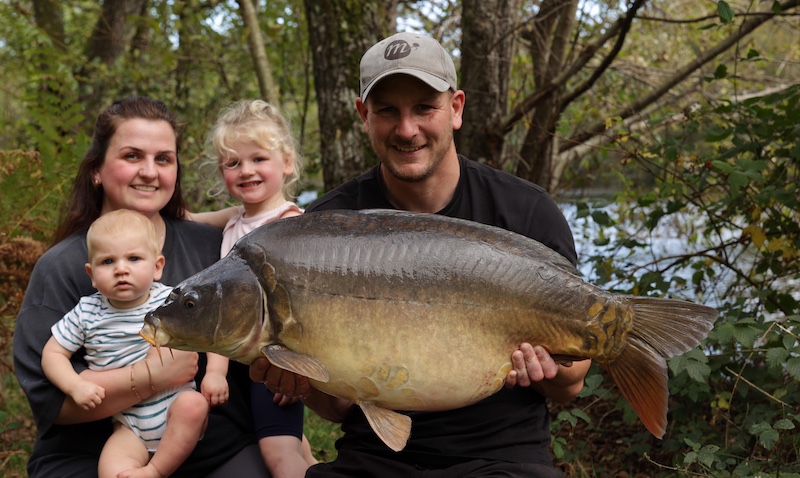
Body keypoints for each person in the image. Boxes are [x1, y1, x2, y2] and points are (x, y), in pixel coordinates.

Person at [249, 32, 593, 477]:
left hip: (503, 458)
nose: (406, 129)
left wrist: (549, 370)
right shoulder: (322, 232)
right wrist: (300, 382)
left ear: (456, 109)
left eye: (424, 108)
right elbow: (336, 408)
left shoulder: (525, 211)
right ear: (363, 115)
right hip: (375, 460)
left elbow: (572, 385)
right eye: (387, 110)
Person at [13, 96, 270, 478]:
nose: (149, 172)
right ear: (96, 171)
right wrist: (151, 378)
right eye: (132, 156)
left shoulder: (212, 246)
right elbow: (54, 403)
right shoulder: (61, 267)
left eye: (163, 159)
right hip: (93, 454)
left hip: (214, 449)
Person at [42, 209, 229, 478]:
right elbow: (53, 353)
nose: (121, 269)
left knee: (194, 405)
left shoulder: (171, 301)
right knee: (111, 471)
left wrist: (215, 373)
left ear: (157, 266)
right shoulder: (86, 312)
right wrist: (75, 385)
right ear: (91, 273)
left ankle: (155, 471)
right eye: (107, 262)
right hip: (129, 424)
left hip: (177, 407)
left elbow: (211, 333)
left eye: (133, 258)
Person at [191, 99, 317, 478]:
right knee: (293, 448)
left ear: (287, 163)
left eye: (258, 159)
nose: (246, 171)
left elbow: (308, 301)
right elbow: (188, 219)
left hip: (276, 361)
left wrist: (297, 367)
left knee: (279, 455)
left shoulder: (291, 223)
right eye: (233, 163)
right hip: (241, 359)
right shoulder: (236, 218)